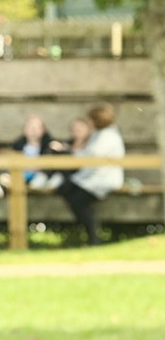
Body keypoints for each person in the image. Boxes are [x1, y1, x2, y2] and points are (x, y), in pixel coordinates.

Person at [56, 103, 124, 246]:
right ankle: (90, 235)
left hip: (102, 179)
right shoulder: (99, 135)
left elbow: (92, 156)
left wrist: (72, 153)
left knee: (78, 202)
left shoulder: (108, 136)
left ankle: (94, 238)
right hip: (91, 177)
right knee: (65, 189)